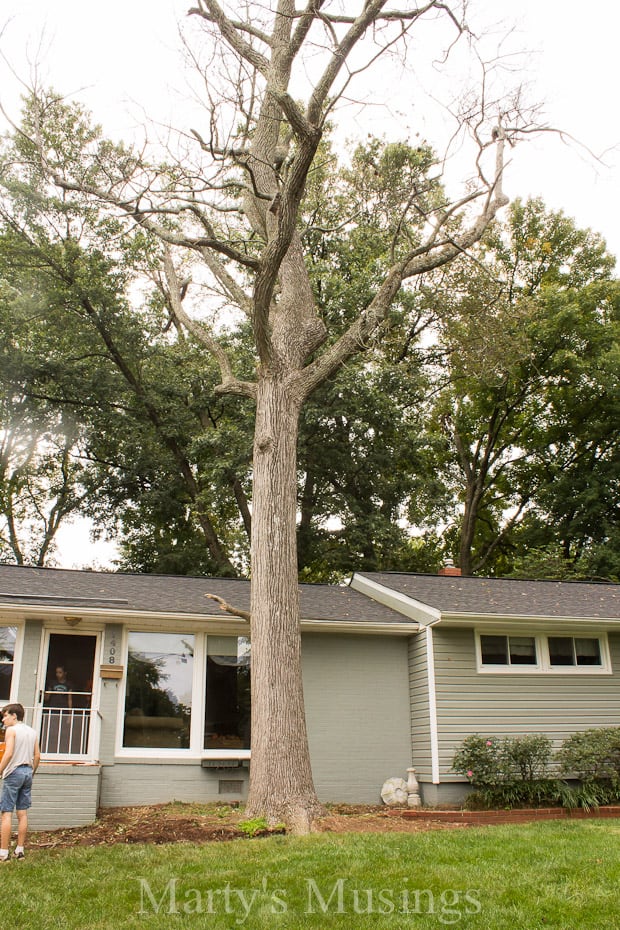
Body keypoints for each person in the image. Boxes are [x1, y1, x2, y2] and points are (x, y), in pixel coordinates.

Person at [0, 703, 40, 861]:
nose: (3, 719)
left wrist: (0, 770)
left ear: (14, 716)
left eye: (5, 715)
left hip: (13, 772)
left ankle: (3, 853)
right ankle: (20, 850)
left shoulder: (12, 730)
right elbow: (37, 756)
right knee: (22, 813)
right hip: (27, 772)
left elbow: (8, 753)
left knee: (6, 812)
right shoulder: (32, 731)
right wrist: (32, 772)